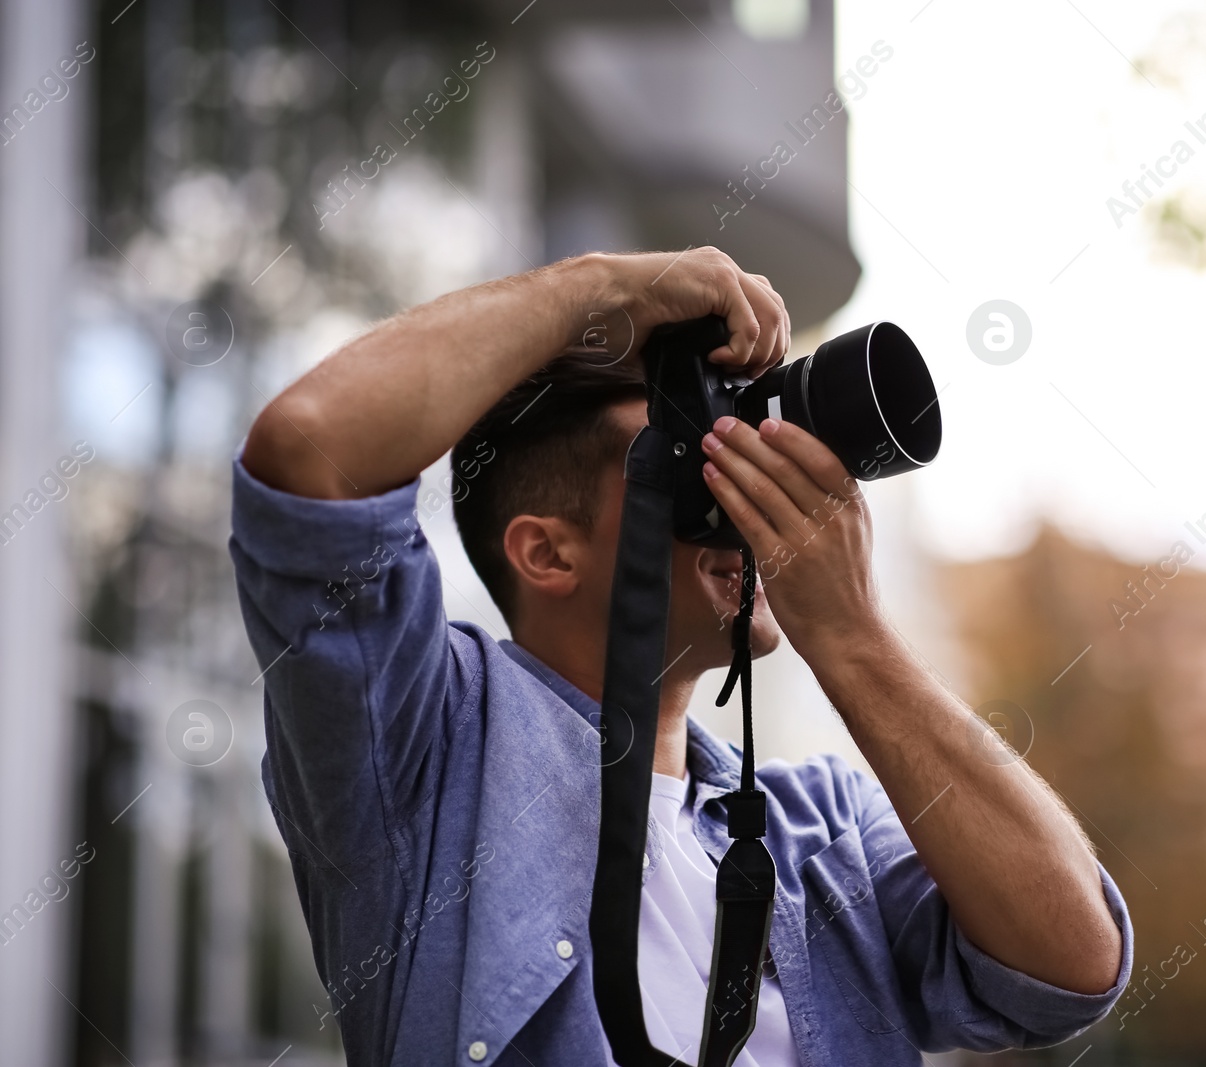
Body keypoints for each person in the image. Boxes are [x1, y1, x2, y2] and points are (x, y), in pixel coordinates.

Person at [232, 247, 1132, 1065]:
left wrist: (856, 642)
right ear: (547, 553)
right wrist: (601, 288)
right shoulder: (433, 750)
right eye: (684, 452)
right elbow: (307, 455)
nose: (736, 486)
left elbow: (1068, 963)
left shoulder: (821, 830)